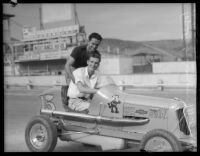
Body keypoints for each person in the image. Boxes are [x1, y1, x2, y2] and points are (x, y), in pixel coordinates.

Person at [61, 32, 103, 105]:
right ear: (88, 41)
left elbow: (95, 69)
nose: (94, 46)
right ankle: (69, 103)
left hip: (84, 72)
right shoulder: (78, 50)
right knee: (75, 89)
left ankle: (88, 102)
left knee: (89, 89)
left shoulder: (96, 54)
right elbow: (67, 65)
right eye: (93, 43)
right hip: (73, 71)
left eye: (97, 45)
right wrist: (74, 80)